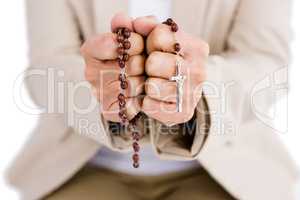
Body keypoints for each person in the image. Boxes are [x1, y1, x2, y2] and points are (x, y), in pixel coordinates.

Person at [6, 0, 299, 199]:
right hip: (82, 165)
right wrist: (98, 91)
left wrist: (201, 92)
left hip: (224, 169)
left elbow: (268, 64)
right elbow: (44, 70)